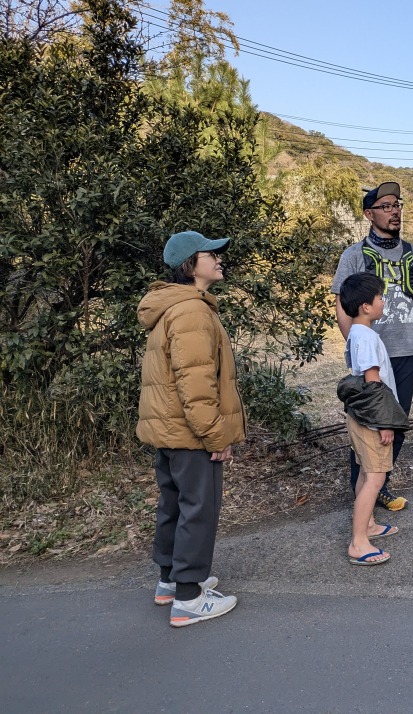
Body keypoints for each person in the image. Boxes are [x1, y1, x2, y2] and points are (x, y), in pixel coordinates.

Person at [138, 231, 243, 627]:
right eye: (209, 254)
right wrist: (216, 436)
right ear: (189, 265)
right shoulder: (192, 312)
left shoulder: (172, 307)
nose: (218, 259)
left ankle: (170, 582)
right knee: (199, 509)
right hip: (191, 434)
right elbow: (196, 385)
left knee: (174, 506)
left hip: (169, 431)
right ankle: (188, 597)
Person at [331, 181, 413, 511]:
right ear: (369, 214)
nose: (394, 212)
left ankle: (380, 485)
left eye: (397, 205)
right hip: (371, 357)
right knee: (367, 423)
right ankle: (361, 491)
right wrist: (355, 344)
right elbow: (341, 304)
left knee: (396, 423)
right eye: (386, 206)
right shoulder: (353, 256)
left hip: (406, 352)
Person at [337, 273, 409, 566]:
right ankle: (358, 543)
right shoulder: (367, 337)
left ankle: (367, 526)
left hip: (360, 417)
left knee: (366, 473)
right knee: (376, 477)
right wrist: (385, 423)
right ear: (366, 306)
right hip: (372, 419)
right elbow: (373, 383)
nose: (383, 301)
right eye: (380, 297)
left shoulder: (357, 333)